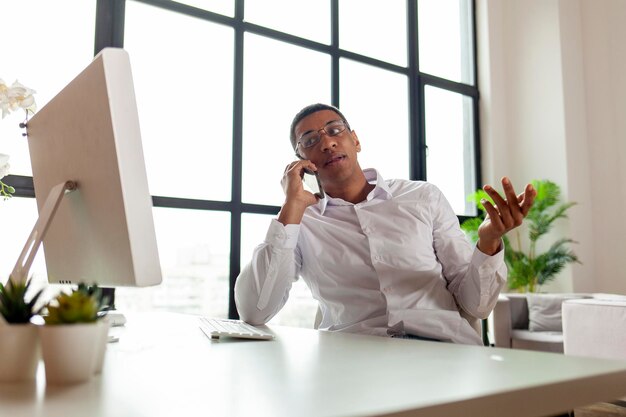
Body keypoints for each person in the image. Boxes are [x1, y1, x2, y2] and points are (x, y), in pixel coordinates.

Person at [234, 103, 536, 345]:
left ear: (355, 140)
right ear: (301, 160)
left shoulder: (422, 196)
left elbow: (477, 307)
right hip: (354, 361)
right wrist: (291, 208)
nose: (326, 142)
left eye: (334, 130)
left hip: (444, 352)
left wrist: (489, 242)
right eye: (310, 140)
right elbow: (255, 311)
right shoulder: (303, 221)